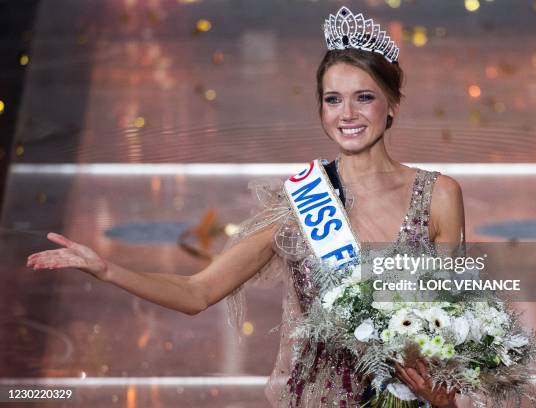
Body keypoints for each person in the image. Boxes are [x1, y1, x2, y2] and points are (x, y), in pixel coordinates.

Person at [27, 6, 464, 408]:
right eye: (333, 99)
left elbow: (454, 324)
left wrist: (442, 395)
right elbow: (198, 292)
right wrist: (107, 269)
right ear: (320, 109)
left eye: (363, 97)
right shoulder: (299, 201)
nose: (346, 113)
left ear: (392, 105)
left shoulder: (439, 195)